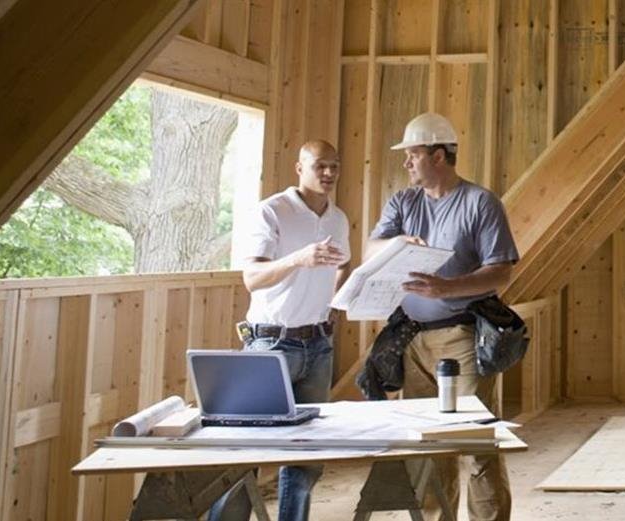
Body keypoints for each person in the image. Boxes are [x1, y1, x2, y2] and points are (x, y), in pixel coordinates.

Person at [366, 112, 517, 521]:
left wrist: (445, 288)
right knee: (428, 444)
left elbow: (501, 270)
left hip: (461, 337)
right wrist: (395, 243)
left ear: (437, 155)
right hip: (412, 340)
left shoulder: (480, 203)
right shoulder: (403, 201)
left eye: (412, 154)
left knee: (476, 443)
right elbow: (370, 250)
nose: (406, 163)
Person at [210, 140, 350, 521]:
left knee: (306, 455)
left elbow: (343, 264)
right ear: (299, 167)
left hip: (319, 344)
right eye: (320, 166)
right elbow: (252, 278)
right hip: (271, 343)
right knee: (248, 447)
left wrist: (331, 302)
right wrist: (299, 259)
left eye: (334, 167)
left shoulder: (338, 219)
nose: (328, 174)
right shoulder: (273, 211)